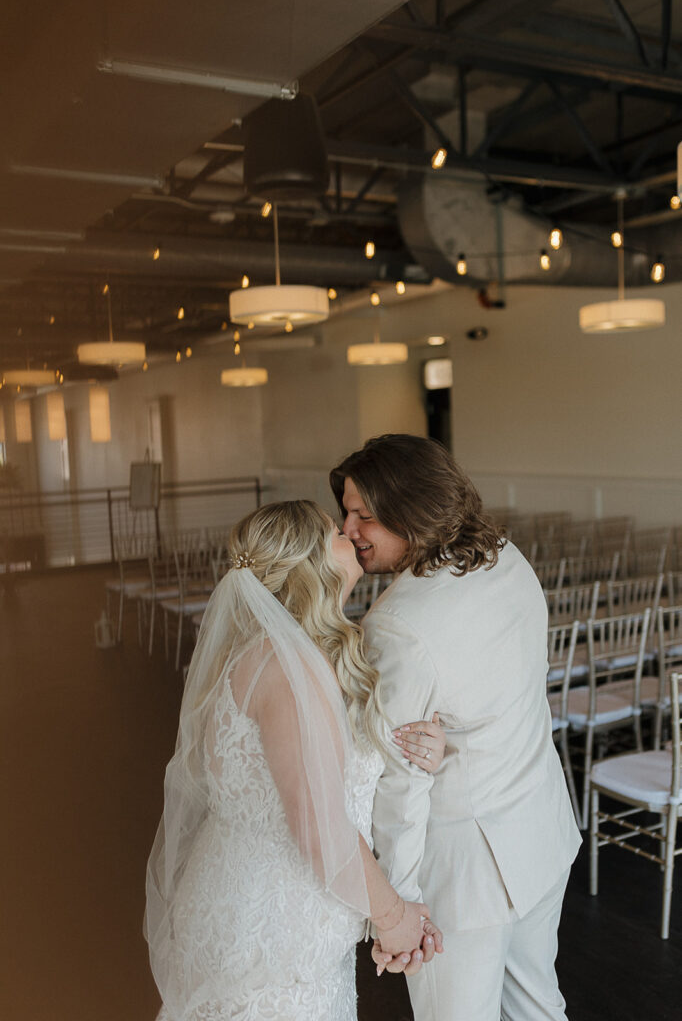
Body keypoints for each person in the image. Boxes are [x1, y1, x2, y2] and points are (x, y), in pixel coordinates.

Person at [144, 499, 444, 1021]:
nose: (348, 535)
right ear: (309, 565)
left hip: (270, 916)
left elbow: (323, 773)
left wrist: (415, 748)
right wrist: (395, 918)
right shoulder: (288, 668)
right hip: (270, 940)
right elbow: (319, 824)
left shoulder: (283, 654)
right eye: (332, 532)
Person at [331, 435, 582, 1021]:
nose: (348, 531)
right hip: (540, 828)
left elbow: (399, 781)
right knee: (538, 1007)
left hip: (467, 873)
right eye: (346, 512)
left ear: (412, 508)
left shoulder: (396, 625)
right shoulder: (505, 554)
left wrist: (397, 904)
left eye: (365, 515)